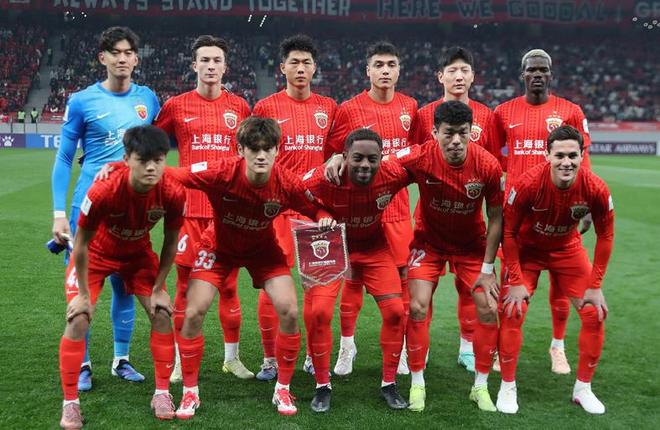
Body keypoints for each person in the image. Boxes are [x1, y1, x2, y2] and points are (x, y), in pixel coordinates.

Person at [165, 116, 335, 418]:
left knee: (289, 310)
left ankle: (283, 388)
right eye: (254, 149)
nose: (261, 155)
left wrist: (324, 218)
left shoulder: (287, 182)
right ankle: (190, 392)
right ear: (240, 149)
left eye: (268, 148)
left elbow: (316, 207)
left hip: (263, 251)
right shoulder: (221, 171)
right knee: (193, 312)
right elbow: (177, 174)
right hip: (219, 249)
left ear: (277, 150)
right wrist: (131, 169)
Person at [51, 26, 160, 391]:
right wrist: (58, 213)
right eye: (115, 52)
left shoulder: (148, 99)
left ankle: (121, 360)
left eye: (128, 53)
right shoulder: (82, 101)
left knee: (124, 286)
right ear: (103, 58)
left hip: (131, 211)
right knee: (82, 289)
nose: (122, 58)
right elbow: (65, 157)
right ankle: (82, 364)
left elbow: (156, 147)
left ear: (136, 59)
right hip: (88, 207)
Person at [58, 125, 186, 429]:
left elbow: (171, 243)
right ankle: (70, 403)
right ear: (127, 159)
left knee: (162, 313)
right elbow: (81, 244)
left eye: (158, 160)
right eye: (143, 160)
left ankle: (162, 393)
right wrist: (83, 296)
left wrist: (159, 287)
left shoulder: (172, 192)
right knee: (78, 318)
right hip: (96, 254)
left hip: (138, 254)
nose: (151, 167)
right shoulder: (103, 189)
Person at [378, 101, 501, 412]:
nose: (456, 140)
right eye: (448, 133)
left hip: (471, 246)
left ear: (471, 132)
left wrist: (488, 268)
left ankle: (480, 386)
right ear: (434, 132)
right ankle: (417, 383)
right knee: (417, 306)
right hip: (429, 244)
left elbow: (497, 217)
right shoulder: (420, 156)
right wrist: (340, 159)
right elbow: (381, 165)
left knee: (489, 308)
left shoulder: (487, 165)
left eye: (462, 133)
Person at [154, 35, 252, 382]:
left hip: (227, 213)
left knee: (229, 287)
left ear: (225, 67)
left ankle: (232, 358)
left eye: (217, 60)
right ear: (194, 65)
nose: (211, 66)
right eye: (205, 60)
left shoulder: (240, 107)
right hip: (187, 212)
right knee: (184, 287)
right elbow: (153, 144)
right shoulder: (176, 105)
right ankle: (182, 360)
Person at [497, 125, 613, 415]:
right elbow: (508, 233)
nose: (566, 162)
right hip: (527, 251)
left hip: (567, 249)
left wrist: (595, 285)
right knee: (513, 310)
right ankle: (507, 386)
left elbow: (606, 236)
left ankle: (583, 389)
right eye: (559, 155)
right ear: (547, 155)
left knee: (594, 313)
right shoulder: (527, 184)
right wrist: (515, 279)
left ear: (582, 155)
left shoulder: (596, 188)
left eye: (573, 155)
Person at [494, 49, 593, 375]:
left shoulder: (570, 111)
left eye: (543, 70)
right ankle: (501, 349)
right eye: (531, 70)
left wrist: (587, 200)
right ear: (522, 74)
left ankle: (558, 346)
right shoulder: (503, 112)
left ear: (550, 74)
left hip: (560, 215)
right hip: (519, 220)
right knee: (511, 291)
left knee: (561, 287)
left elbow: (583, 158)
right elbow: (492, 156)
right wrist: (509, 177)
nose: (537, 74)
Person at [302, 128, 412, 412]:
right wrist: (321, 213)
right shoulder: (326, 176)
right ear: (345, 156)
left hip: (374, 248)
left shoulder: (392, 173)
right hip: (333, 246)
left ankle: (389, 383)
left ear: (381, 158)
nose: (365, 165)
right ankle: (322, 385)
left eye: (372, 159)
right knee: (319, 312)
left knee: (396, 312)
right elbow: (295, 191)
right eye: (357, 158)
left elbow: (423, 161)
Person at [325, 41, 418, 376]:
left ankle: (402, 348)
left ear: (399, 70)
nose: (385, 71)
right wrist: (335, 157)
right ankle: (347, 347)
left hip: (396, 209)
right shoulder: (349, 109)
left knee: (403, 279)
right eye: (378, 65)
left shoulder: (411, 107)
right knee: (352, 277)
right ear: (368, 70)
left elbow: (418, 152)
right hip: (358, 211)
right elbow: (334, 152)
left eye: (391, 65)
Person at [252, 34, 337, 381]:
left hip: (316, 211)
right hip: (277, 210)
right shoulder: (266, 108)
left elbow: (335, 155)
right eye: (294, 63)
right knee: (273, 284)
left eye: (306, 63)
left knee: (318, 289)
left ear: (314, 68)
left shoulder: (329, 108)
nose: (300, 68)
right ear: (282, 68)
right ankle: (270, 359)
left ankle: (314, 357)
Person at [411, 46, 500, 373]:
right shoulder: (424, 115)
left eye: (464, 70)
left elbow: (491, 165)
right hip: (430, 220)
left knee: (469, 287)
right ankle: (420, 348)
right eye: (452, 70)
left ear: (473, 76)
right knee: (423, 289)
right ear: (441, 76)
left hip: (469, 221)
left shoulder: (487, 116)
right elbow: (415, 156)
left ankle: (467, 346)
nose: (458, 76)